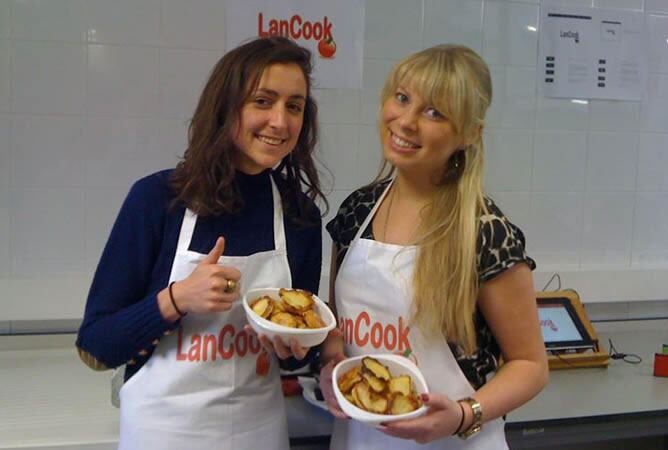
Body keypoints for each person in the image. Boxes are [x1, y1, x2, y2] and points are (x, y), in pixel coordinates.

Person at [76, 36, 326, 450]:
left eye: (294, 106)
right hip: (165, 432)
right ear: (226, 106)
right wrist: (176, 300)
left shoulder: (300, 217)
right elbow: (95, 346)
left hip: (258, 431)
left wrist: (296, 347)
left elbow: (301, 356)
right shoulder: (158, 200)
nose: (280, 122)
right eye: (262, 101)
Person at [319, 44, 548, 449]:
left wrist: (463, 414)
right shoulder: (358, 211)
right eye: (402, 98)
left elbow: (530, 365)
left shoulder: (485, 232)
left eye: (434, 112)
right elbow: (337, 325)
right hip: (359, 439)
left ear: (469, 133)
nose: (405, 121)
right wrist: (332, 361)